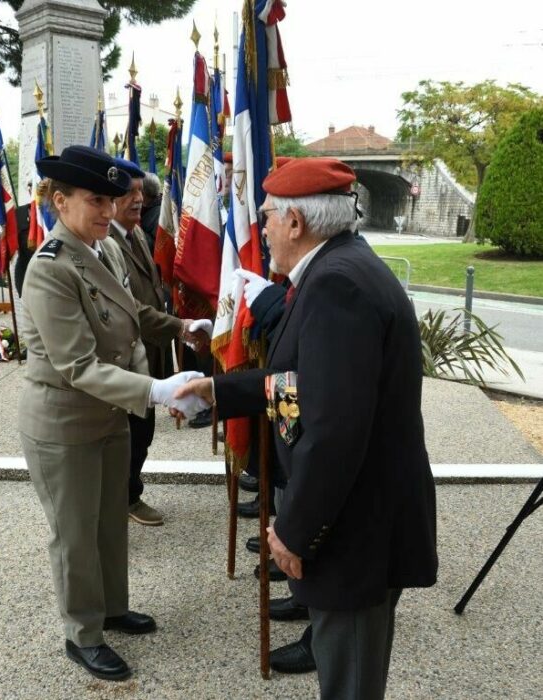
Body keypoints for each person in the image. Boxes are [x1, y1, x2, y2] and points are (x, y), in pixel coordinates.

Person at [176, 157, 438, 700]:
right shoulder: (338, 267)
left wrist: (295, 530)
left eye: (268, 215)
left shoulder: (336, 286)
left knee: (351, 686)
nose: (263, 228)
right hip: (360, 517)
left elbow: (335, 431)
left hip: (356, 529)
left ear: (296, 223)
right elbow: (303, 380)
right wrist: (219, 391)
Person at [19, 145, 210, 683]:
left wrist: (179, 327)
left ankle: (111, 608)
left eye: (114, 199)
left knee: (108, 524)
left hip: (108, 418)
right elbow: (78, 364)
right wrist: (159, 389)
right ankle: (82, 635)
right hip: (65, 424)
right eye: (95, 200)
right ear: (60, 201)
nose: (109, 210)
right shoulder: (51, 269)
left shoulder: (103, 249)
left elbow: (133, 312)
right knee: (75, 534)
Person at [107, 159, 185, 526]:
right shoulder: (105, 242)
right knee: (128, 434)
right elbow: (129, 307)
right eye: (129, 192)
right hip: (126, 358)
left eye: (141, 190)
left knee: (144, 430)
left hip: (149, 351)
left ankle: (128, 492)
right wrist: (178, 326)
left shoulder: (134, 231)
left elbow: (152, 289)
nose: (139, 199)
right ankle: (123, 499)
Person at [138, 171, 161, 254]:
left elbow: (158, 248)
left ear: (143, 193)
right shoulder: (147, 208)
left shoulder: (159, 214)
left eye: (138, 189)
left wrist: (136, 228)